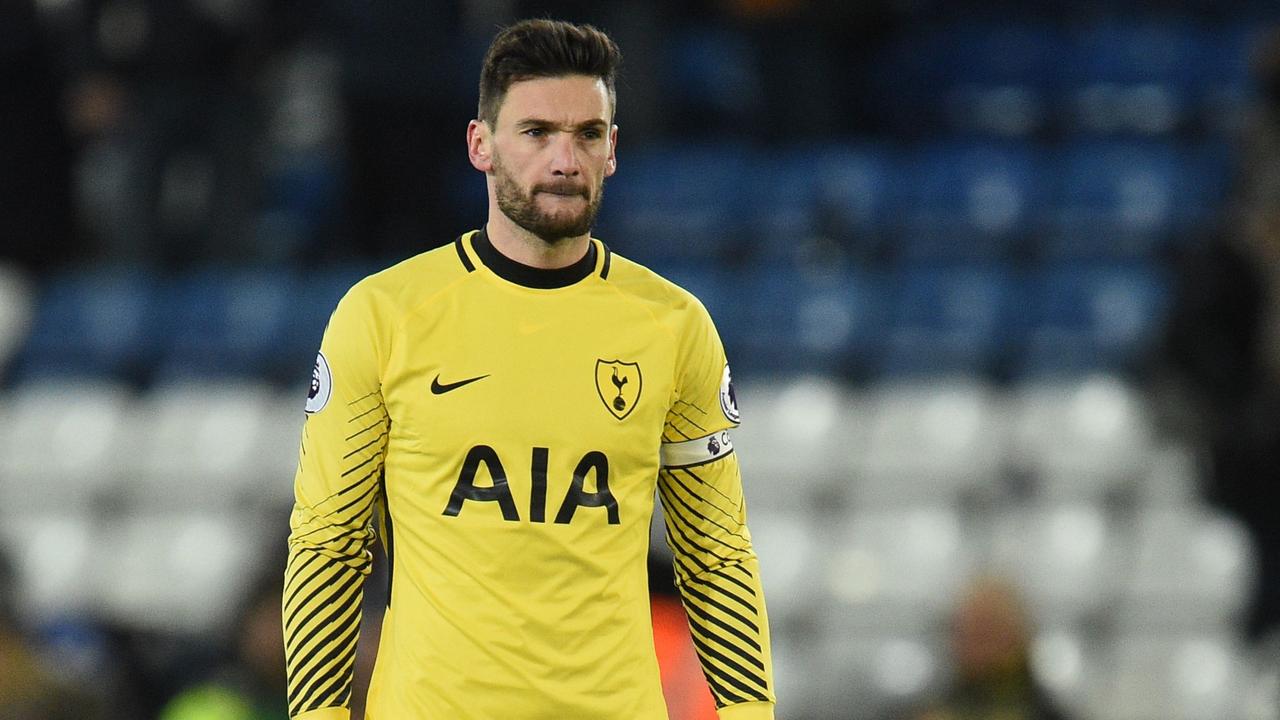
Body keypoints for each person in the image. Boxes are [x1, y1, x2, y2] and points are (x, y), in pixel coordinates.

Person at [281, 18, 776, 720]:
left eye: (588, 134)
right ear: (481, 145)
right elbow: (328, 547)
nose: (564, 159)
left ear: (612, 152)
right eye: (537, 132)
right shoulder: (384, 316)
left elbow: (716, 556)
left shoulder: (674, 327)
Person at [907, 577, 1069, 720]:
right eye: (964, 631)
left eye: (987, 630)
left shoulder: (1045, 710)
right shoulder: (934, 705)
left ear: (1017, 634)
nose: (972, 643)